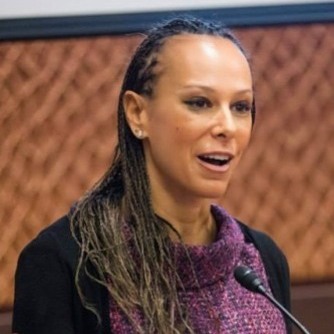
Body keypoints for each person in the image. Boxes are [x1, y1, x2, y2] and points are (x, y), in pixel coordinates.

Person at [12, 17, 291, 334]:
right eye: (199, 102)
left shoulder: (263, 260)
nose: (227, 126)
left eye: (241, 106)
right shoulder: (61, 264)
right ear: (137, 114)